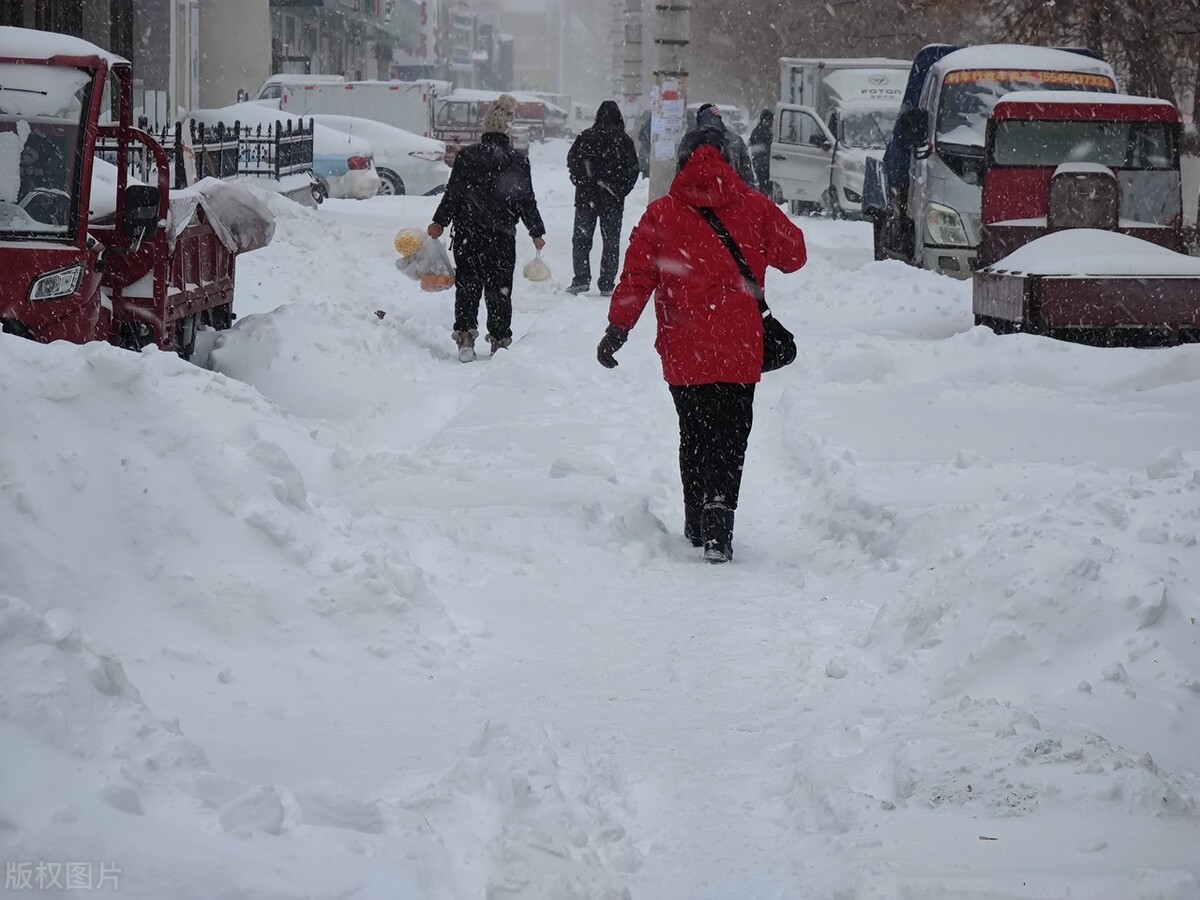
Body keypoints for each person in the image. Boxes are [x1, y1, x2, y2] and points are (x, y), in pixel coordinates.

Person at [595, 142, 807, 564]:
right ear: (730, 164)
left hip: (684, 346)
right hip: (740, 346)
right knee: (731, 435)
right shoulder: (755, 207)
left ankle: (696, 519)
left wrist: (617, 329)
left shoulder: (661, 214)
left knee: (694, 434)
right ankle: (719, 515)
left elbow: (636, 277)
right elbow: (795, 255)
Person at [428, 93, 546, 362]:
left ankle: (466, 339)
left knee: (468, 287)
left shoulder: (467, 157)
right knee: (500, 291)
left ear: (485, 128)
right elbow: (526, 200)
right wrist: (536, 231)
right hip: (502, 237)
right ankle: (499, 342)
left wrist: (439, 222)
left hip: (468, 235)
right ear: (508, 129)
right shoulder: (518, 160)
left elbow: (454, 194)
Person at [565, 100, 640, 296]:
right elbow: (633, 170)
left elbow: (572, 161)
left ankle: (581, 278)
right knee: (611, 241)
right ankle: (607, 282)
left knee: (582, 239)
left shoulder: (586, 137)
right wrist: (619, 189)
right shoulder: (624, 141)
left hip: (586, 198)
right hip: (612, 200)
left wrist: (582, 181)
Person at [676, 102, 755, 186]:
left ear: (699, 120)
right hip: (731, 193)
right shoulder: (735, 140)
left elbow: (680, 173)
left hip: (696, 194)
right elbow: (747, 174)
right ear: (719, 119)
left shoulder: (690, 140)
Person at [748, 108, 774, 196]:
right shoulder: (764, 132)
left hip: (758, 164)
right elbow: (764, 148)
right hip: (763, 164)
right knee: (765, 188)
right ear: (766, 120)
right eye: (771, 120)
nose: (772, 123)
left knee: (763, 187)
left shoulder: (756, 131)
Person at [636, 111, 652, 179]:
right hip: (650, 149)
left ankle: (645, 175)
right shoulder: (652, 124)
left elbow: (640, 136)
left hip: (645, 148)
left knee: (645, 166)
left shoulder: (647, 125)